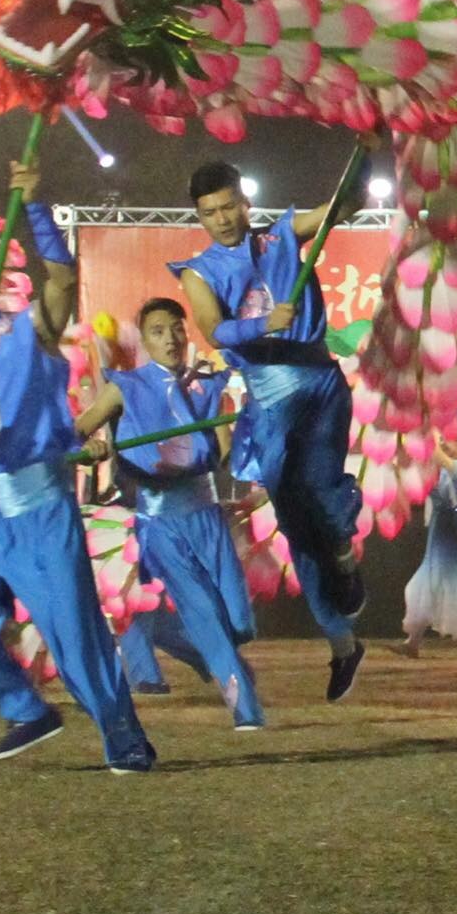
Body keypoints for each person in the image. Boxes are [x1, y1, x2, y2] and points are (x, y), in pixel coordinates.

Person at [0, 163, 154, 766]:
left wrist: (34, 207)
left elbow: (61, 280)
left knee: (76, 643)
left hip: (43, 513)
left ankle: (125, 742)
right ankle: (26, 710)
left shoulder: (29, 333)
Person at [178, 158, 368, 698]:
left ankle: (343, 554)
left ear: (244, 202)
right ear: (200, 216)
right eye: (208, 212)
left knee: (322, 494)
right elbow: (215, 332)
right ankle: (342, 643)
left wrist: (371, 150)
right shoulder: (199, 272)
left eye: (227, 207)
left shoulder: (281, 236)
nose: (221, 219)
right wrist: (265, 323)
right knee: (294, 525)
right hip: (269, 397)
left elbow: (344, 207)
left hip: (320, 381)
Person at [97, 296, 266, 721]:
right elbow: (82, 425)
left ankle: (216, 656)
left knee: (238, 622)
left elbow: (224, 451)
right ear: (145, 340)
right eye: (157, 331)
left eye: (176, 328)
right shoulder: (127, 385)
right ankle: (245, 711)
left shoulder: (206, 386)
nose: (169, 338)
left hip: (206, 513)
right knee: (203, 615)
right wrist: (87, 446)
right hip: (159, 522)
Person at [401, 385, 457, 655]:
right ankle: (413, 642)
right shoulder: (437, 471)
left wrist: (422, 423)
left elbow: (432, 452)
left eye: (453, 442)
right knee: (428, 582)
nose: (449, 445)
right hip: (441, 531)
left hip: (454, 530)